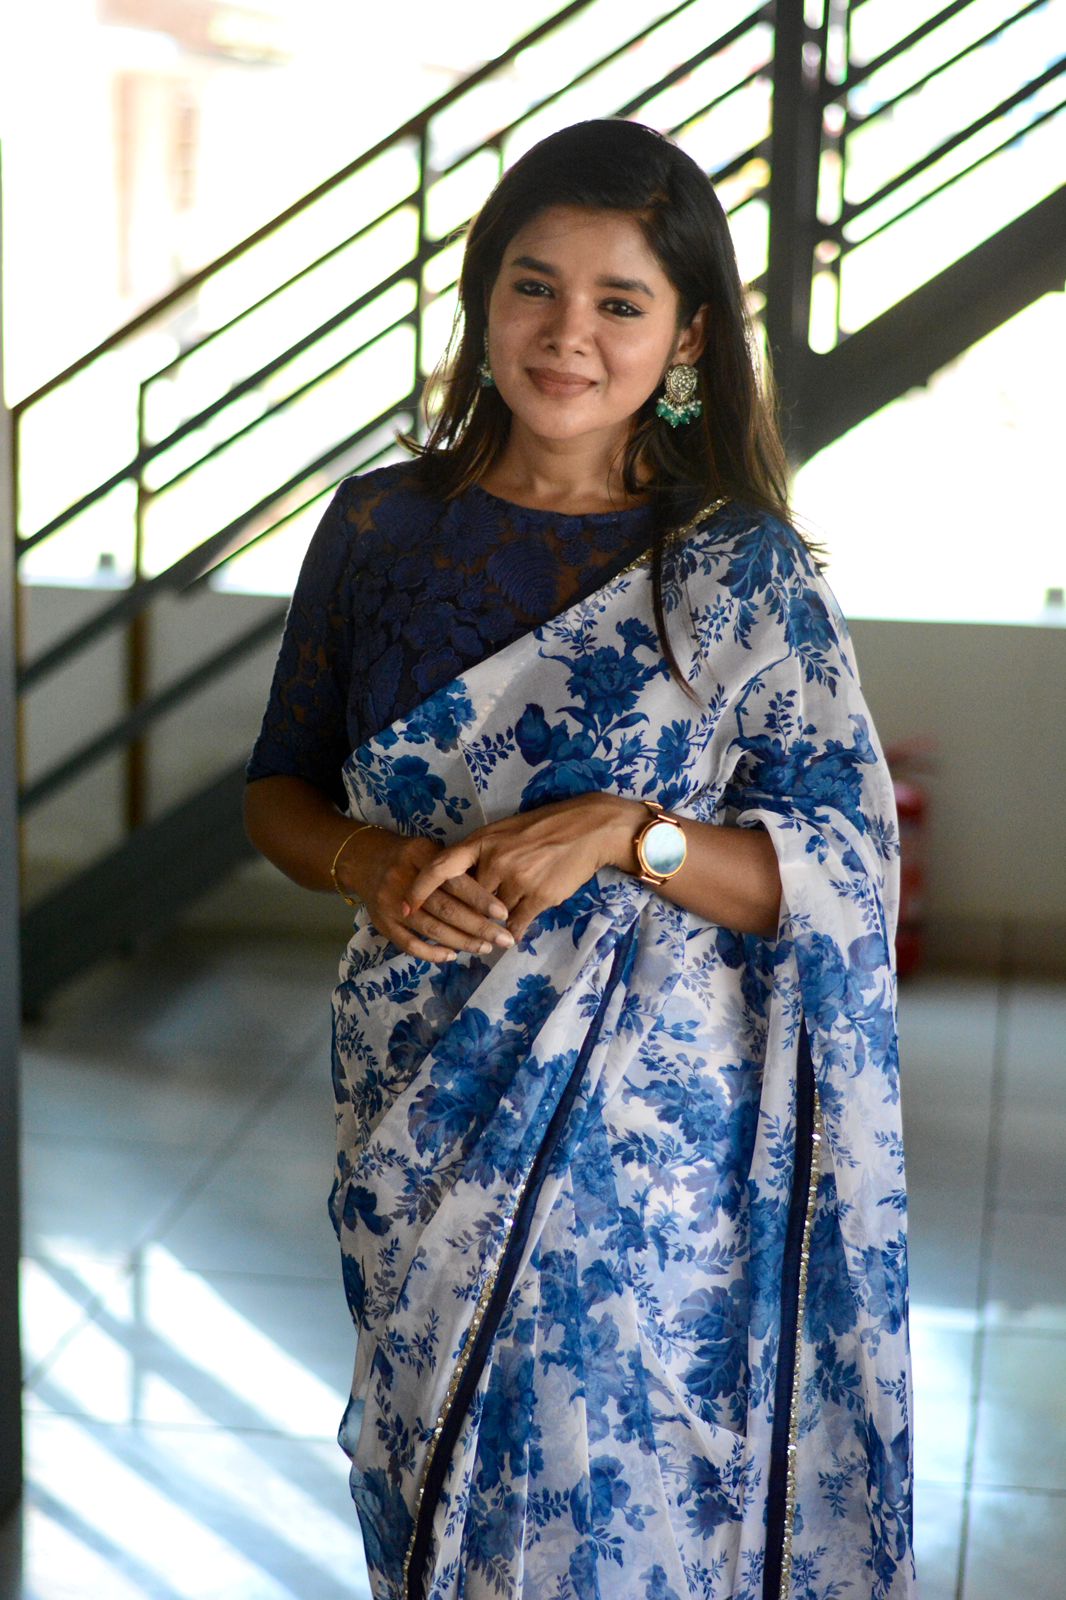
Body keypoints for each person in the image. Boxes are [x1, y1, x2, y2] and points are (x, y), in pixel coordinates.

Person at [244, 118, 915, 1600]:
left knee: (611, 1493)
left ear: (682, 337)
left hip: (649, 1151)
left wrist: (627, 833)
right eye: (533, 286)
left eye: (619, 301)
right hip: (418, 1087)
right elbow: (277, 793)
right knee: (436, 1476)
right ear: (483, 303)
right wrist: (372, 866)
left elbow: (845, 873)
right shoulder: (379, 528)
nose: (568, 333)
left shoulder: (743, 573)